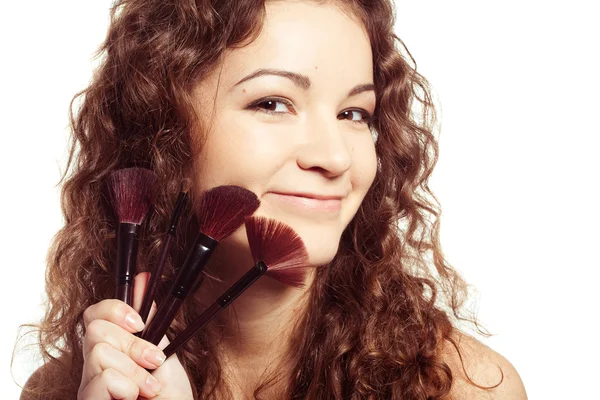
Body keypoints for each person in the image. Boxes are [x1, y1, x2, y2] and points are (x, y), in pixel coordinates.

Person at [19, 0, 527, 398]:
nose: (335, 158)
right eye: (273, 103)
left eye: (354, 113)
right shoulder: (62, 391)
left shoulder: (463, 388)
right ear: (165, 131)